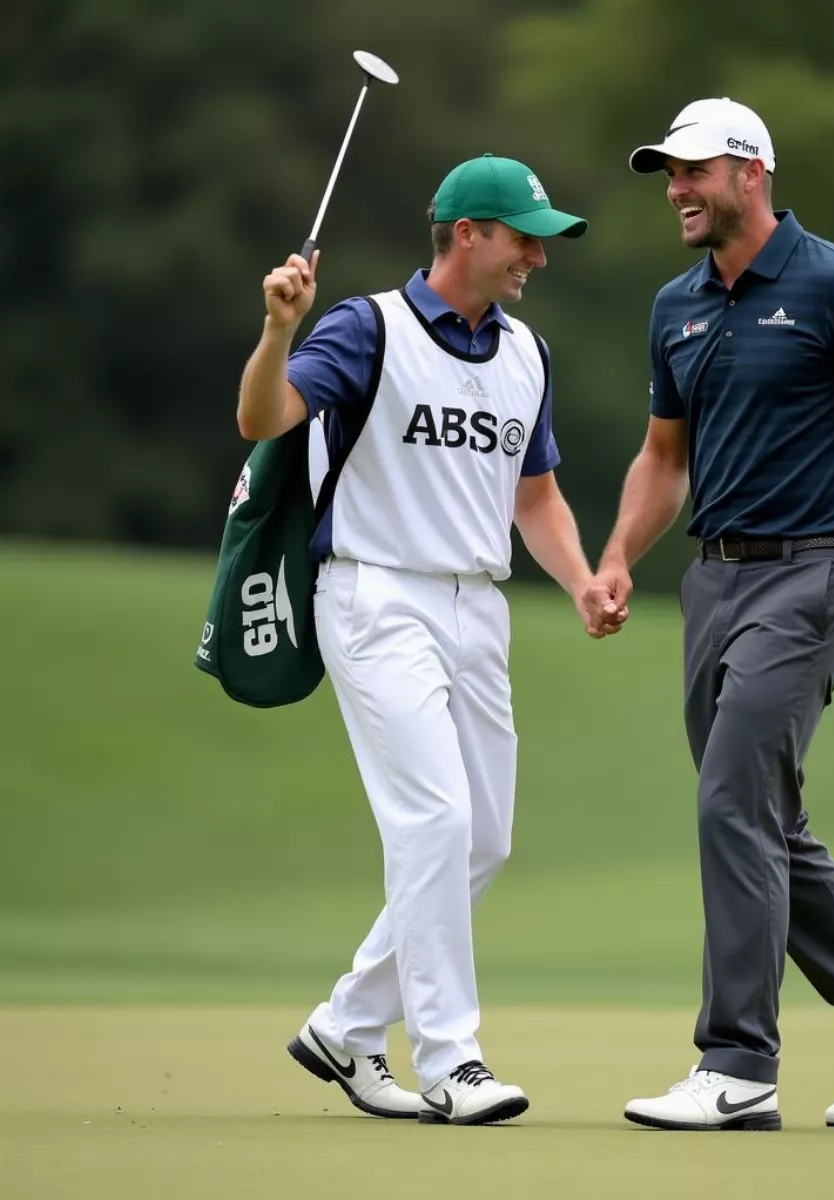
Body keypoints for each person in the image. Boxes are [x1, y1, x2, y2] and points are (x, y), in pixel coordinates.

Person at [586, 99, 834, 1131]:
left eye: (693, 171)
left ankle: (738, 1062)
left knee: (729, 807)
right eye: (668, 175)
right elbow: (665, 458)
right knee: (759, 815)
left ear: (752, 171)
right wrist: (618, 555)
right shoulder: (677, 306)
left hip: (818, 576)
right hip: (715, 582)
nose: (677, 191)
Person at [237, 154, 597, 1127]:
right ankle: (452, 1059)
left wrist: (582, 578)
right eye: (524, 237)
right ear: (468, 234)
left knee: (483, 840)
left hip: (480, 610)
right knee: (434, 821)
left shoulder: (528, 352)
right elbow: (263, 418)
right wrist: (279, 333)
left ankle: (348, 1028)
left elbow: (537, 495)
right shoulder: (366, 328)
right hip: (375, 593)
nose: (538, 256)